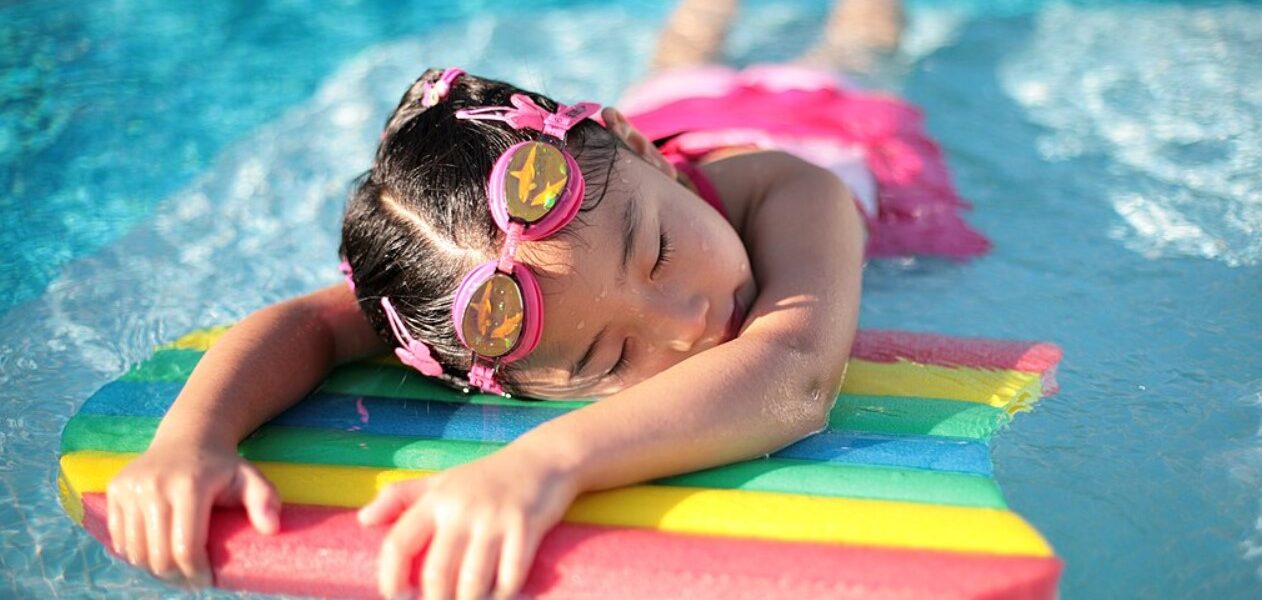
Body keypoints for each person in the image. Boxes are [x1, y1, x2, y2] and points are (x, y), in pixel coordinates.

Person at [106, 2, 951, 599]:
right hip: (644, 157)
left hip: (840, 123)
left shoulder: (790, 193)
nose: (690, 325)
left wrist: (544, 462)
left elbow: (794, 376)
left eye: (657, 251)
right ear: (499, 386)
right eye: (606, 359)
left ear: (638, 151)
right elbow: (312, 327)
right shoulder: (513, 287)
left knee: (855, 40)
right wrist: (192, 443)